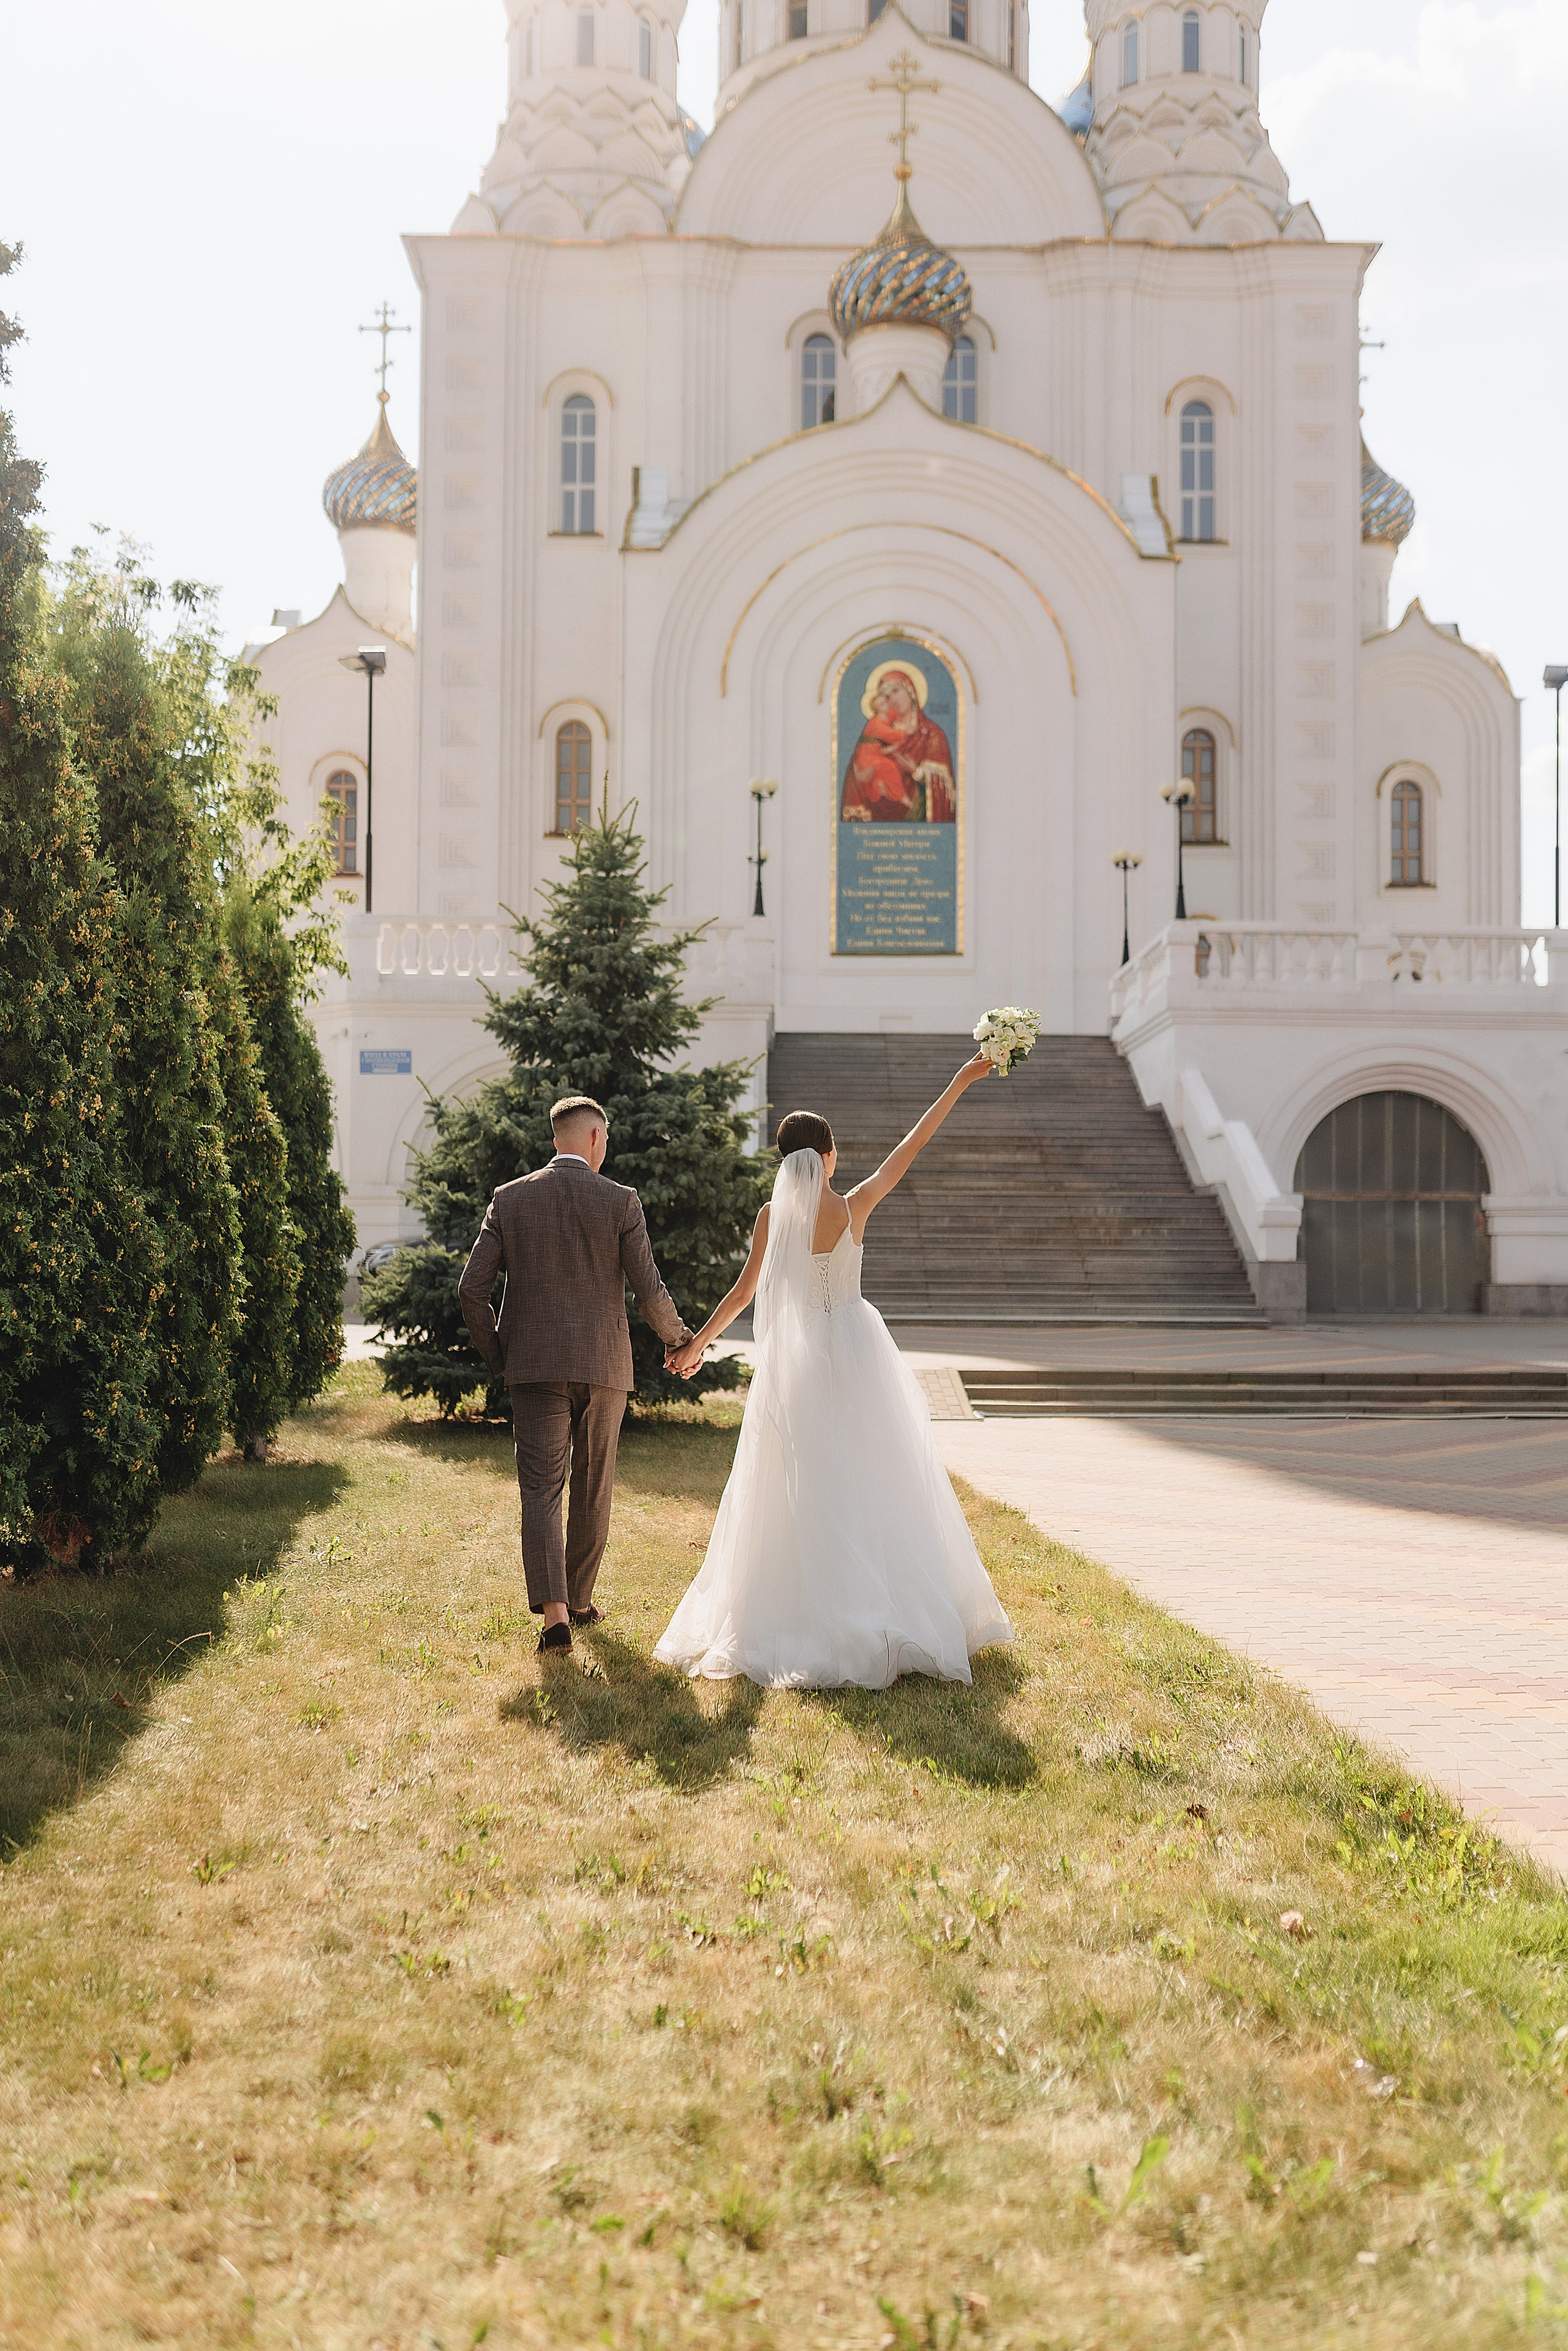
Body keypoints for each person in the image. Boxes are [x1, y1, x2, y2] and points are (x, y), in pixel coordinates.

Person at [655, 1055, 1012, 1688]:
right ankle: (882, 1602)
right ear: (827, 1155)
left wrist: (695, 1346)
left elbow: (741, 1296)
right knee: (877, 1475)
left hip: (797, 1364)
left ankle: (800, 1606)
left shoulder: (772, 1219)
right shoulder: (854, 1206)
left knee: (797, 1481)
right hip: (856, 1351)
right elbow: (913, 1143)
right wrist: (958, 1079)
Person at [458, 1095, 692, 1656]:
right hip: (605, 1366)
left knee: (541, 1488)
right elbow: (648, 1289)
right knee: (593, 1487)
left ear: (557, 1138)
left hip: (534, 1367)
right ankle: (581, 1599)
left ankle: (558, 1619)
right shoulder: (621, 1201)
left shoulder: (510, 1199)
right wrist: (680, 1340)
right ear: (594, 1139)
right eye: (605, 1140)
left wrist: (502, 1358)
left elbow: (472, 1290)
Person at [840, 669, 956, 824]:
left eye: (896, 691)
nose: (893, 699)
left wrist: (916, 772)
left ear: (911, 691)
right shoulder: (876, 736)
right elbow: (855, 782)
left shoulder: (932, 736)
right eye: (887, 697)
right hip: (877, 830)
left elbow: (943, 794)